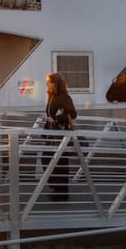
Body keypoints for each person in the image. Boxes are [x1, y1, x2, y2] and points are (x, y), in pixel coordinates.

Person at [43, 72, 78, 202]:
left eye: (49, 82)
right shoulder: (52, 96)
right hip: (51, 135)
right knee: (47, 158)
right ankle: (56, 188)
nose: (47, 84)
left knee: (60, 162)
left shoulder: (64, 97)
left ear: (55, 83)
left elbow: (73, 114)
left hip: (60, 134)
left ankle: (62, 192)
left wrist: (56, 119)